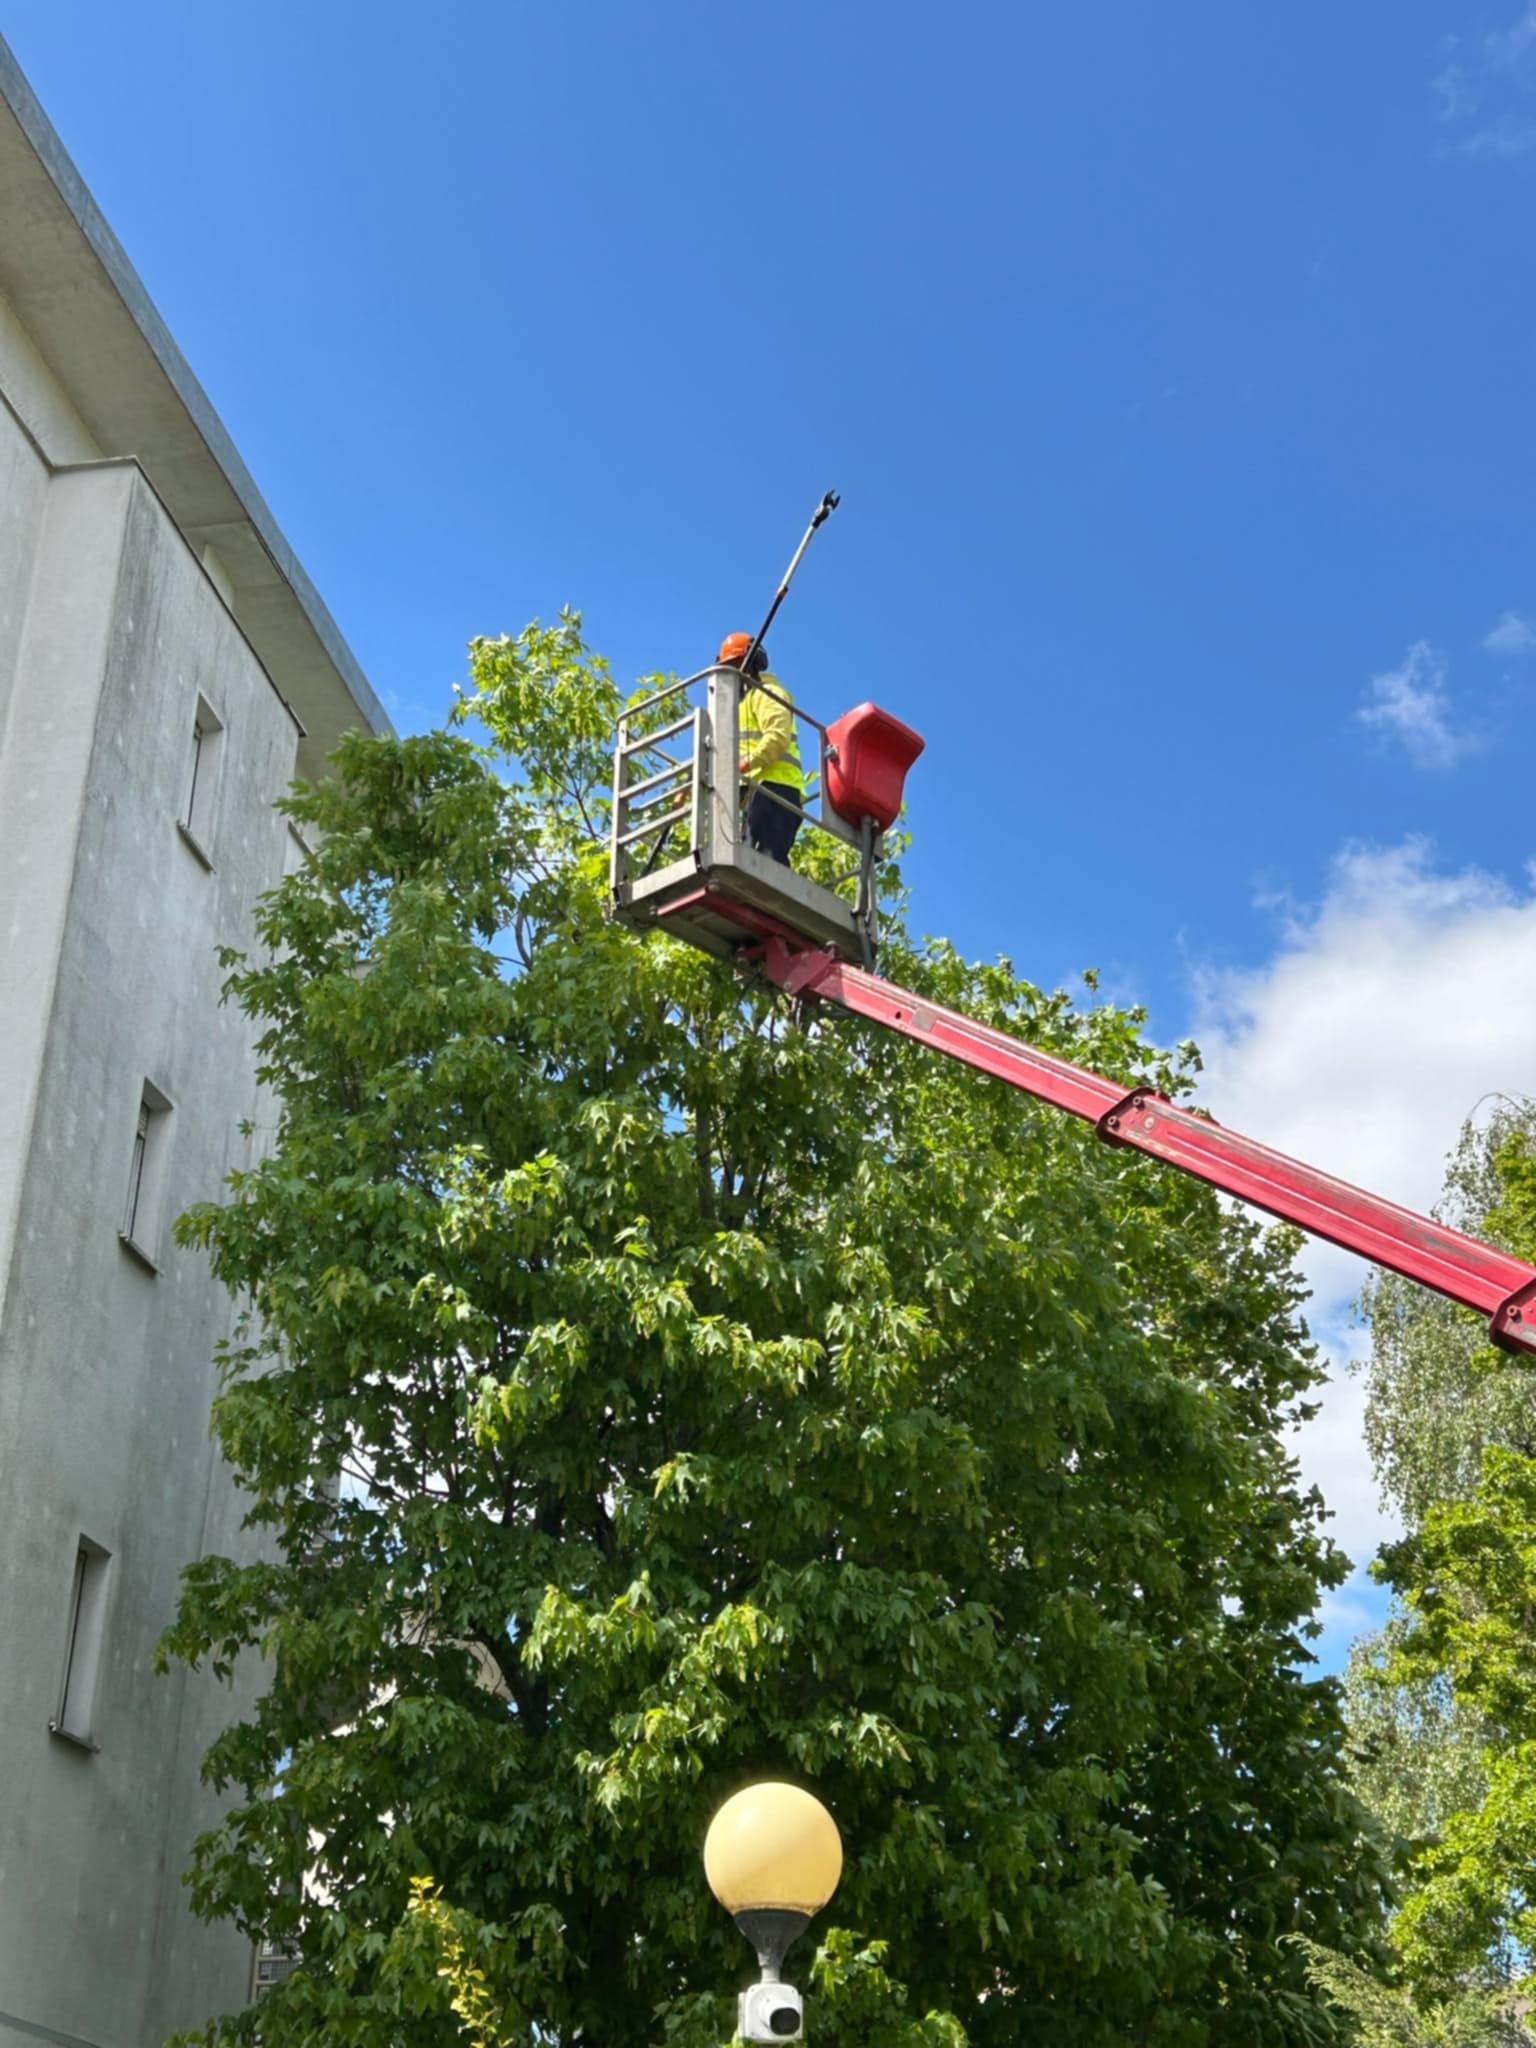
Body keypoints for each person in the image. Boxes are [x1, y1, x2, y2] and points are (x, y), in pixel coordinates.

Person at [717, 631, 804, 866]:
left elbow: (777, 737)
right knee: (750, 861)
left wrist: (746, 763)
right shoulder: (741, 707)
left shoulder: (768, 694)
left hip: (777, 790)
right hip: (757, 792)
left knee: (768, 862)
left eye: (735, 667)